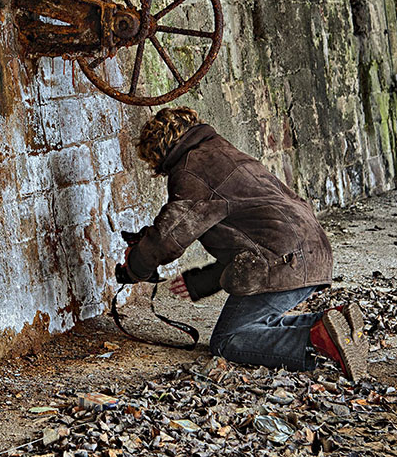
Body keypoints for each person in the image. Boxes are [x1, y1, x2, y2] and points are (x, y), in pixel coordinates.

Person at [115, 107, 369, 381]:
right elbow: (246, 234)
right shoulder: (224, 152)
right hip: (311, 251)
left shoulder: (190, 170)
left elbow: (167, 239)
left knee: (229, 339)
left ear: (158, 153)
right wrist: (199, 282)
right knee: (257, 326)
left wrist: (135, 268)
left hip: (282, 260)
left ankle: (316, 340)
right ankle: (332, 324)